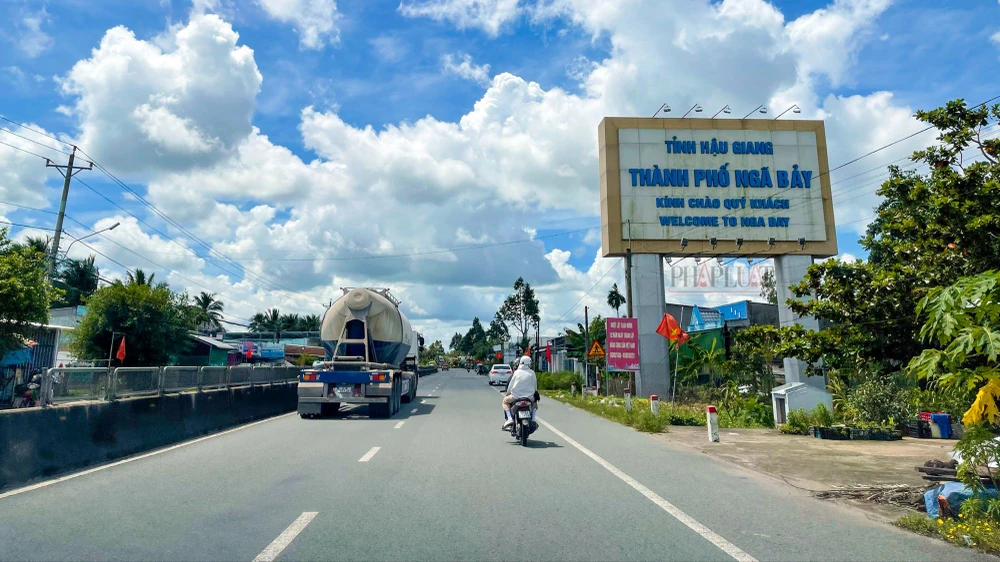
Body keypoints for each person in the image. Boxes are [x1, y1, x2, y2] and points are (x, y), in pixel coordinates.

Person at [502, 356, 537, 430]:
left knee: (505, 401)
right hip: (529, 398)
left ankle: (509, 419)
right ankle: (533, 419)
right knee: (534, 403)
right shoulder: (532, 373)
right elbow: (534, 385)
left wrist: (508, 393)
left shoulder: (517, 372)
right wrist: (535, 393)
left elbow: (511, 385)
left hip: (515, 397)